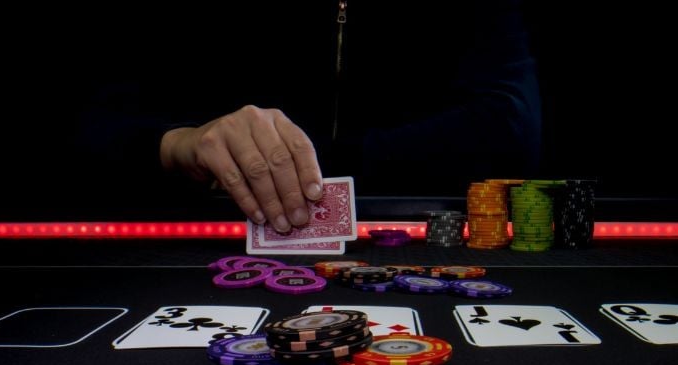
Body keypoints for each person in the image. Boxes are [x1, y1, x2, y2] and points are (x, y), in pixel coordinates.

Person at [74, 1, 542, 231]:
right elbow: (79, 129)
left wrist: (320, 161)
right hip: (205, 233)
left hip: (411, 228)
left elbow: (511, 127)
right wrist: (178, 143)